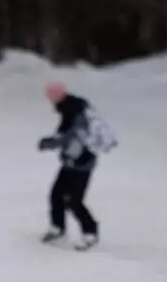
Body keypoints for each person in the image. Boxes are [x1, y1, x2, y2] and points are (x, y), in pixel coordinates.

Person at [37, 81, 117, 250]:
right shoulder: (71, 107)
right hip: (71, 160)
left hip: (82, 163)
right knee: (56, 194)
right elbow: (65, 134)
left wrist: (47, 143)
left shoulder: (74, 110)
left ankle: (90, 232)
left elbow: (68, 136)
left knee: (74, 201)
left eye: (51, 97)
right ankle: (57, 227)